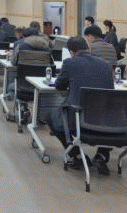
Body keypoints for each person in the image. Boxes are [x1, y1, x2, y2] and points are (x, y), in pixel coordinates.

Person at [48, 36, 114, 175]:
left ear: (71, 51)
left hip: (79, 118)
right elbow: (110, 90)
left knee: (52, 119)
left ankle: (77, 155)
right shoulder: (106, 64)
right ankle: (101, 155)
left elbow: (59, 86)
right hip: (105, 119)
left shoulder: (69, 63)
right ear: (88, 48)